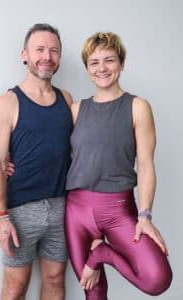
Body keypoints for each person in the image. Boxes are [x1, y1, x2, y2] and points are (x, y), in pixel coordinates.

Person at [65, 32, 173, 299]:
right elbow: (54, 154)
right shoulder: (76, 110)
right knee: (94, 291)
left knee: (157, 279)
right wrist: (11, 161)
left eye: (109, 60)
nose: (102, 68)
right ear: (87, 69)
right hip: (76, 213)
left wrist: (145, 216)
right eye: (94, 62)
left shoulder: (137, 107)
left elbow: (146, 165)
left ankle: (103, 253)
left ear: (122, 64)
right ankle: (98, 255)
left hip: (118, 211)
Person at [0, 23, 73, 300]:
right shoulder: (7, 102)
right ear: (25, 54)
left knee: (55, 279)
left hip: (62, 207)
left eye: (54, 50)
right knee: (15, 287)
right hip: (21, 211)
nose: (46, 56)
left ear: (59, 57)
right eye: (39, 49)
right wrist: (2, 217)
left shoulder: (67, 100)